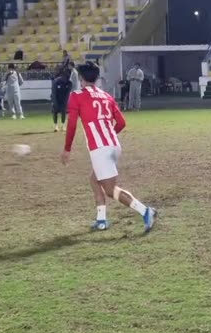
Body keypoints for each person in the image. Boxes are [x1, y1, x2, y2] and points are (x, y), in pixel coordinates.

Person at [61, 61, 158, 232]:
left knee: (111, 190)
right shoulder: (107, 96)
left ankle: (146, 211)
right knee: (94, 179)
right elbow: (121, 122)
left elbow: (72, 125)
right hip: (114, 145)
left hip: (101, 150)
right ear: (97, 78)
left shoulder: (76, 96)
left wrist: (67, 149)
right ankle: (101, 220)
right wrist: (108, 135)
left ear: (81, 78)